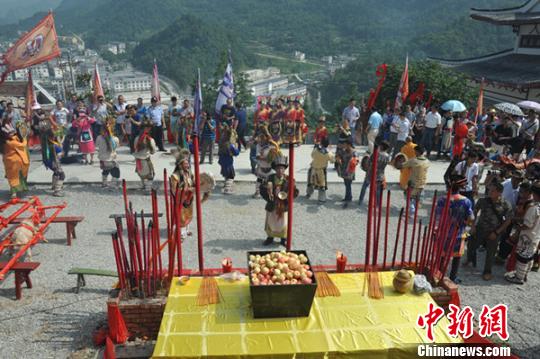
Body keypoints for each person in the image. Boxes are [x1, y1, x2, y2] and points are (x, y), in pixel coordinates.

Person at [467, 182, 512, 280]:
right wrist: (473, 226)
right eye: (489, 190)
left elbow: (508, 221)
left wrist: (497, 232)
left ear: (499, 193)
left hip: (494, 233)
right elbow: (474, 211)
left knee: (491, 253)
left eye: (493, 191)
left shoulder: (505, 204)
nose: (489, 192)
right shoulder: (483, 201)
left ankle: (487, 271)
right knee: (471, 245)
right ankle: (469, 259)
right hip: (480, 229)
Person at [435, 175, 474, 283]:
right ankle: (453, 276)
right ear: (461, 187)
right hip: (458, 233)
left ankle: (439, 274)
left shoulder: (442, 200)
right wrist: (466, 222)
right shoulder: (466, 201)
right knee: (456, 257)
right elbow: (471, 218)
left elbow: (437, 217)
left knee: (442, 255)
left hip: (444, 233)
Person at [505, 181, 540, 284]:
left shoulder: (533, 208)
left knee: (522, 258)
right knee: (530, 257)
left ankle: (519, 278)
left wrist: (519, 228)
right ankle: (524, 275)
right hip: (536, 236)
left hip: (527, 236)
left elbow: (527, 225)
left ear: (534, 193)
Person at [261, 155, 298, 246]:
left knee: (283, 222)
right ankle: (270, 237)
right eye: (278, 168)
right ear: (275, 169)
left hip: (283, 205)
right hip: (272, 204)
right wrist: (269, 193)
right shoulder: (269, 178)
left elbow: (295, 192)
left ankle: (283, 238)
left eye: (282, 168)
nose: (280, 170)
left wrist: (287, 196)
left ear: (284, 169)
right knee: (271, 221)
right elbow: (262, 189)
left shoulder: (290, 180)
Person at [36, 114, 65, 197]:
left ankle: (53, 186)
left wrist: (49, 119)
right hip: (53, 161)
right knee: (62, 175)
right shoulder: (54, 145)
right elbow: (60, 155)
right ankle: (57, 190)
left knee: (56, 172)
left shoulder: (44, 140)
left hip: (47, 161)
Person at [1, 117, 29, 198]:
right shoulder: (11, 141)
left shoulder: (6, 141)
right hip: (16, 161)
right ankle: (14, 194)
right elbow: (22, 145)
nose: (14, 133)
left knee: (11, 176)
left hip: (8, 161)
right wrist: (24, 139)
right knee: (14, 177)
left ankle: (15, 191)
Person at [358, 141, 390, 206]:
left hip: (371, 174)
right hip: (381, 174)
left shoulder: (376, 154)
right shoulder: (387, 156)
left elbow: (369, 162)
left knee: (364, 187)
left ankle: (360, 200)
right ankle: (377, 204)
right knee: (377, 190)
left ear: (381, 146)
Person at [401, 144, 429, 215]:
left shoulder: (413, 161)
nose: (414, 153)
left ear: (417, 152)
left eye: (415, 151)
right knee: (418, 198)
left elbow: (402, 165)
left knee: (408, 196)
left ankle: (412, 210)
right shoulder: (427, 161)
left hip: (413, 184)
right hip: (422, 184)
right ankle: (414, 210)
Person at [253, 127, 280, 198]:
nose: (260, 139)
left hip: (270, 168)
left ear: (266, 137)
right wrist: (266, 159)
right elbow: (257, 156)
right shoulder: (259, 145)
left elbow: (276, 155)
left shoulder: (272, 145)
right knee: (259, 181)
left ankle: (272, 193)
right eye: (259, 137)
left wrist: (273, 157)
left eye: (262, 137)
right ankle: (257, 192)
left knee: (271, 182)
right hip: (261, 167)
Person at [306, 137, 334, 203]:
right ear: (328, 144)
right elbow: (333, 161)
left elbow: (312, 155)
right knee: (322, 185)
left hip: (313, 168)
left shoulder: (316, 150)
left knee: (310, 182)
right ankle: (321, 199)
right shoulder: (328, 154)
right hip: (321, 171)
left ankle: (309, 193)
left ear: (321, 143)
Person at [95, 120, 120, 188]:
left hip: (102, 160)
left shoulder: (99, 137)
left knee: (105, 170)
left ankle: (104, 183)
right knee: (116, 173)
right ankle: (113, 185)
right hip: (111, 159)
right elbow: (116, 148)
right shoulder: (115, 139)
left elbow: (96, 145)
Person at [133, 120, 157, 191]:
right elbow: (153, 151)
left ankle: (144, 185)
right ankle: (148, 188)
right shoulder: (151, 140)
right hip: (146, 160)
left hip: (138, 161)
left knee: (141, 175)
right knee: (150, 175)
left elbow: (135, 148)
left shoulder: (136, 138)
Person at [218, 124, 240, 194]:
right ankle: (227, 189)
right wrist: (237, 148)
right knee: (230, 175)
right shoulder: (230, 145)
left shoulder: (221, 143)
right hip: (228, 162)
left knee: (225, 174)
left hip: (222, 161)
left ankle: (226, 184)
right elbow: (236, 153)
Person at [336, 139, 358, 208]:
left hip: (350, 171)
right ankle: (348, 197)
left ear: (349, 144)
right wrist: (338, 159)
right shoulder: (343, 151)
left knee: (348, 184)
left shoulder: (354, 152)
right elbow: (338, 156)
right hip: (344, 170)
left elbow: (357, 161)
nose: (344, 145)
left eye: (345, 144)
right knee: (347, 184)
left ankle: (348, 198)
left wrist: (354, 162)